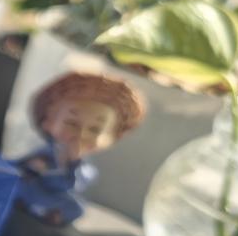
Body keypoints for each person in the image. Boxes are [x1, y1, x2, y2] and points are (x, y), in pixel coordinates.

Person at [15, 71, 145, 226]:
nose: (81, 135)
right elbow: (21, 166)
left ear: (110, 138)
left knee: (75, 208)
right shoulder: (46, 152)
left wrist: (73, 163)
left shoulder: (83, 166)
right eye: (72, 123)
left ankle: (49, 215)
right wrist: (34, 168)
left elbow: (72, 184)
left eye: (95, 130)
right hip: (31, 187)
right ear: (49, 121)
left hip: (53, 196)